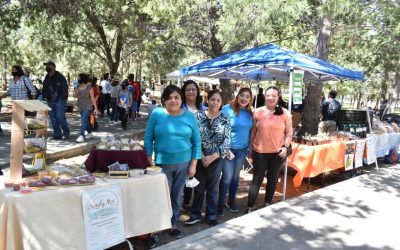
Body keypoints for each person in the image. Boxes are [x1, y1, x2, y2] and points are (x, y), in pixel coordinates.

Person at [144, 84, 201, 239]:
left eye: (176, 97)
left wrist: (194, 164)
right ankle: (156, 228)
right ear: (163, 100)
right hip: (161, 164)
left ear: (181, 99)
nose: (173, 101)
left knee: (176, 196)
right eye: (169, 98)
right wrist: (149, 159)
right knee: (161, 196)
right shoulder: (156, 114)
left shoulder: (189, 116)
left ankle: (173, 223)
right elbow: (148, 138)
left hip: (184, 164)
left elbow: (197, 141)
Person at [185, 90, 231, 226]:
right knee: (199, 188)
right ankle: (195, 214)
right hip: (199, 158)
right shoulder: (197, 116)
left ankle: (211, 215)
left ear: (221, 103)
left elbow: (227, 141)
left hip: (217, 159)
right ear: (208, 100)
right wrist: (202, 155)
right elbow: (192, 137)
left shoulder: (225, 118)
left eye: (218, 100)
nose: (215, 102)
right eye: (212, 99)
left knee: (213, 188)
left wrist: (212, 157)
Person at [246, 86, 293, 213]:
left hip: (277, 153)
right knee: (257, 180)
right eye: (268, 95)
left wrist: (285, 147)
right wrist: (250, 150)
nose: (270, 98)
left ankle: (267, 203)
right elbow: (253, 133)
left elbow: (289, 133)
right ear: (264, 97)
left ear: (278, 97)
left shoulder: (285, 113)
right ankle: (250, 206)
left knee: (272, 179)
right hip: (259, 152)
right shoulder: (258, 112)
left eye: (273, 95)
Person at [218, 87, 253, 215]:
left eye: (247, 96)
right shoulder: (227, 110)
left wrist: (250, 149)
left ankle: (231, 201)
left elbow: (251, 131)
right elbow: (219, 129)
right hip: (228, 149)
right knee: (227, 177)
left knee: (235, 177)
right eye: (242, 95)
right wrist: (225, 147)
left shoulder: (250, 113)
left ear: (250, 99)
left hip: (242, 150)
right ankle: (220, 203)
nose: (244, 99)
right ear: (237, 96)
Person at [181, 80, 207, 210]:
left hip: (200, 148)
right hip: (185, 147)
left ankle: (196, 204)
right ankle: (186, 201)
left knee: (198, 175)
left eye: (193, 89)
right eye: (188, 89)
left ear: (197, 92)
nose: (191, 92)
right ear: (184, 92)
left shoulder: (204, 108)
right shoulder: (180, 108)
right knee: (187, 174)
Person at [42, 61, 70, 140]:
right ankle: (57, 134)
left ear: (54, 67)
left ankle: (66, 132)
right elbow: (44, 88)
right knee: (53, 118)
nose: (47, 67)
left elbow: (65, 87)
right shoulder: (46, 77)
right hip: (50, 100)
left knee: (60, 117)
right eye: (46, 66)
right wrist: (44, 97)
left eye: (49, 66)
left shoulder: (60, 76)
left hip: (60, 100)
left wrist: (62, 98)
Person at [74, 74, 99, 143]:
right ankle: (90, 133)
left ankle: (81, 135)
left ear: (83, 79)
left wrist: (96, 108)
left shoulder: (89, 88)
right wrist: (75, 93)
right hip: (80, 106)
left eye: (79, 78)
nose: (78, 79)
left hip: (87, 107)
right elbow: (76, 97)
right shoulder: (77, 87)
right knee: (85, 121)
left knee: (83, 120)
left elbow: (93, 98)